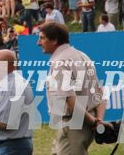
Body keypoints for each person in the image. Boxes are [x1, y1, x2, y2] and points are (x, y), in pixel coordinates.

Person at [37, 22, 105, 155]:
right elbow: (99, 94)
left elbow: (70, 101)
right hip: (82, 122)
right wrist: (98, 121)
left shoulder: (60, 62)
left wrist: (94, 123)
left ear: (54, 40)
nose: (38, 43)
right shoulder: (82, 56)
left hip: (73, 124)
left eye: (42, 38)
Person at [0, 50, 34, 155]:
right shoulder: (13, 82)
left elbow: (6, 123)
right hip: (15, 145)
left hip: (13, 146)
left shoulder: (11, 86)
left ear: (5, 66)